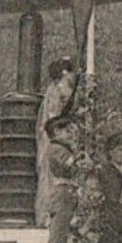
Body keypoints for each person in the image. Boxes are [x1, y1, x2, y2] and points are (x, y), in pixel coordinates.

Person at [40, 115, 84, 243]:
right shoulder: (56, 148)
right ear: (57, 131)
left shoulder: (61, 148)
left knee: (64, 234)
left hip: (68, 193)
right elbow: (73, 165)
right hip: (62, 193)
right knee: (58, 234)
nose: (70, 134)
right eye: (67, 130)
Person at [35, 57, 78, 224]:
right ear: (65, 73)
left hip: (57, 136)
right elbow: (54, 118)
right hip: (55, 138)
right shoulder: (59, 90)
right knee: (50, 174)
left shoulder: (55, 90)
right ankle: (47, 215)